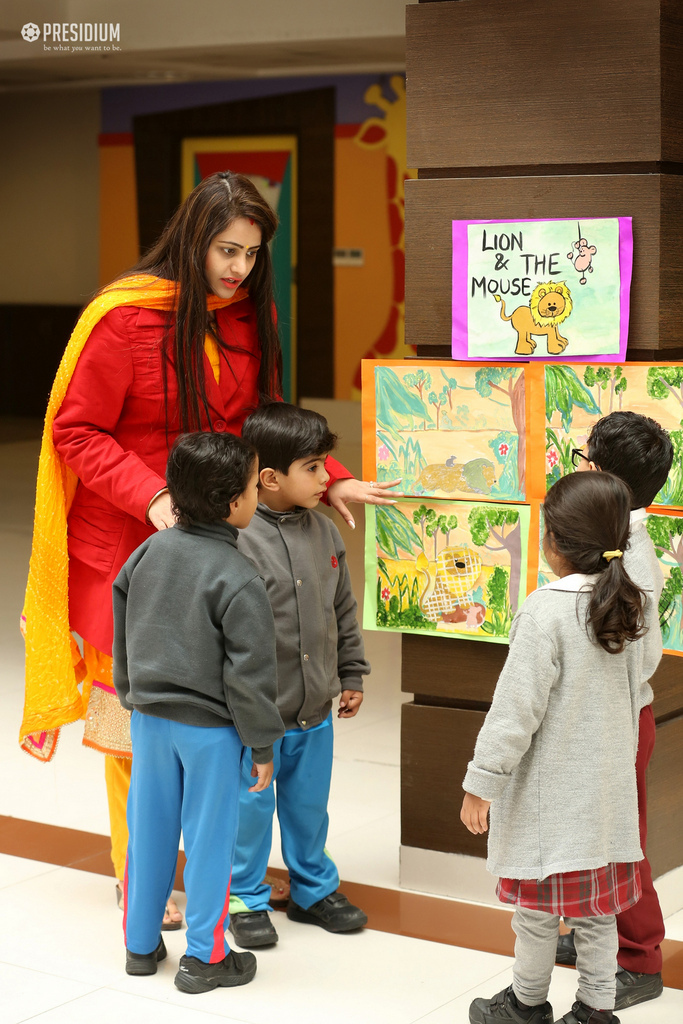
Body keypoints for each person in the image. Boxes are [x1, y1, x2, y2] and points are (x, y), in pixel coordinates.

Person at [20, 170, 398, 927]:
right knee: (136, 722)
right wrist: (152, 496)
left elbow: (264, 425)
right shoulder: (123, 319)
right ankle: (143, 877)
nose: (238, 270)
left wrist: (334, 480)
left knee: (223, 714)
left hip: (225, 542)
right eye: (227, 250)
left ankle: (225, 871)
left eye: (253, 255)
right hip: (130, 544)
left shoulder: (248, 318)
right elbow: (76, 432)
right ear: (192, 238)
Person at [461, 470, 663, 1024]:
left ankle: (526, 1005)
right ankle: (595, 1010)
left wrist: (482, 782)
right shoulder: (627, 603)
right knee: (600, 916)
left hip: (552, 807)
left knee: (535, 915)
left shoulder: (545, 610)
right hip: (605, 800)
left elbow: (513, 712)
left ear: (552, 542)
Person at [113, 431, 284, 993]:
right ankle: (206, 959)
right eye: (254, 486)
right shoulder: (237, 576)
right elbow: (250, 675)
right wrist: (262, 744)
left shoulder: (147, 552)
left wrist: (131, 692)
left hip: (149, 719)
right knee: (210, 841)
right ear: (234, 504)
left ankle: (140, 946)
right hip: (210, 731)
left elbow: (124, 630)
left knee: (149, 830)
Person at [226, 403, 370, 948]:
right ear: (269, 478)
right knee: (250, 812)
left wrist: (351, 671)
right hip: (257, 719)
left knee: (309, 810)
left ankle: (312, 890)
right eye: (314, 468)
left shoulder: (325, 533)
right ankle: (245, 897)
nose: (327, 477)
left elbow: (342, 610)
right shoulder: (235, 539)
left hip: (314, 714)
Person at [556, 410, 674, 1010]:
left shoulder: (634, 560)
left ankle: (639, 957)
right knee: (592, 830)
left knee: (623, 840)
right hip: (600, 717)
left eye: (583, 459)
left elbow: (636, 660)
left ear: (601, 476)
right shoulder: (608, 542)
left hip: (622, 720)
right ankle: (592, 931)